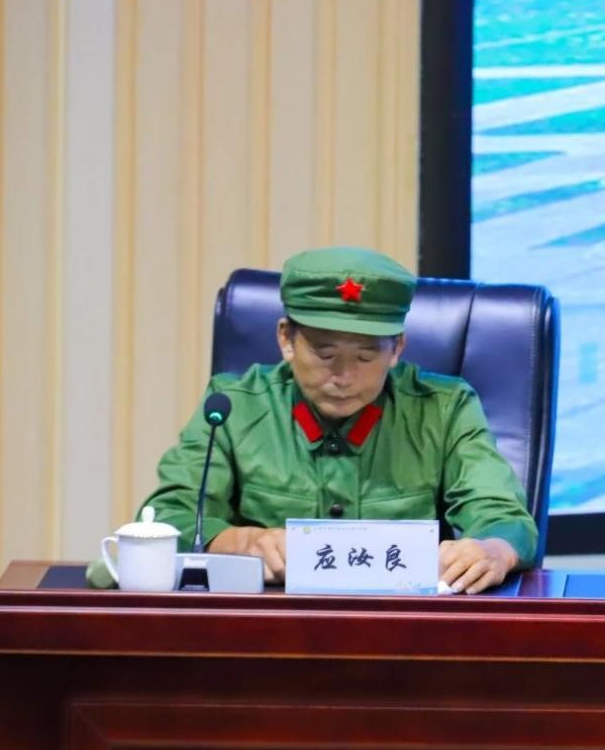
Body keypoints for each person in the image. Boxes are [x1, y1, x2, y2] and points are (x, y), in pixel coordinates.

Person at [114, 246, 537, 593]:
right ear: (286, 339)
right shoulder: (233, 407)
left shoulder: (444, 409)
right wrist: (236, 541)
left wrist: (494, 549)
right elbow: (168, 516)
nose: (343, 376)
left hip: (406, 632)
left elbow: (501, 515)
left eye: (366, 356)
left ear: (397, 349)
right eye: (325, 353)